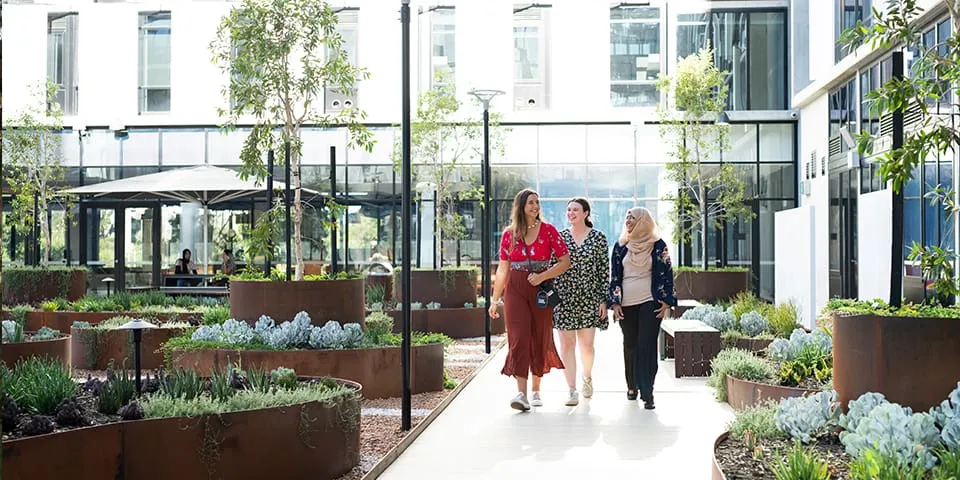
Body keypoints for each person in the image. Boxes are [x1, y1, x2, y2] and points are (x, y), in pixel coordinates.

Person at [489, 188, 571, 412]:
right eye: (530, 203)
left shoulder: (549, 231)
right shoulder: (510, 234)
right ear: (521, 207)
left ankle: (536, 389)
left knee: (539, 336)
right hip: (515, 288)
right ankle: (521, 393)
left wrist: (543, 276)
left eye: (537, 202)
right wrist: (495, 300)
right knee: (519, 337)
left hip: (541, 290)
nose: (535, 206)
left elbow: (565, 262)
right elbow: (503, 269)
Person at [534, 197, 609, 407]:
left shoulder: (598, 238)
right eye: (568, 210)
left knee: (587, 346)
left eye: (575, 210)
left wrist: (603, 299)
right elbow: (551, 265)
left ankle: (587, 377)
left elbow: (604, 271)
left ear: (586, 213)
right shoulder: (560, 237)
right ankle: (572, 390)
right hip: (564, 299)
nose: (571, 213)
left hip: (589, 298)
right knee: (566, 345)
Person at [609, 207, 676, 409]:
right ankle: (632, 386)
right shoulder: (620, 246)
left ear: (643, 221)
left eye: (633, 218)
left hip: (651, 301)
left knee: (646, 346)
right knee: (630, 345)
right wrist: (615, 302)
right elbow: (614, 277)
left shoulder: (658, 245)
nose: (628, 220)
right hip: (626, 304)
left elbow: (668, 272)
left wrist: (667, 301)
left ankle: (648, 392)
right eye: (627, 217)